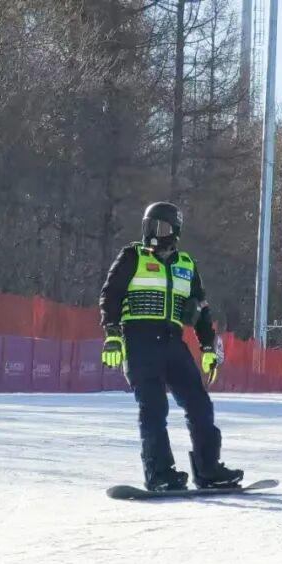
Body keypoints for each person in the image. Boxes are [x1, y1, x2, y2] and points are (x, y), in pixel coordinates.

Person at [99, 201, 244, 491]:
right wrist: (113, 334)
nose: (153, 234)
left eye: (161, 227)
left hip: (172, 342)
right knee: (154, 407)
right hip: (139, 342)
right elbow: (110, 295)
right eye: (149, 226)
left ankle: (208, 469)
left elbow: (201, 311)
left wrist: (208, 348)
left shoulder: (186, 265)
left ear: (175, 231)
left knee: (199, 404)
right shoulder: (132, 256)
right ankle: (160, 473)